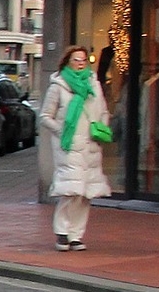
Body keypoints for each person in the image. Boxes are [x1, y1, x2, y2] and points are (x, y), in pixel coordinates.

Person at [39, 44, 111, 250]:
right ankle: (62, 231)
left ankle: (76, 235)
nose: (80, 64)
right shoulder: (59, 86)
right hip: (68, 146)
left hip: (91, 145)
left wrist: (101, 126)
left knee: (85, 193)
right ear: (67, 63)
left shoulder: (93, 84)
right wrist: (62, 131)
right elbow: (45, 116)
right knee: (71, 190)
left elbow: (104, 110)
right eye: (75, 60)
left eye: (83, 60)